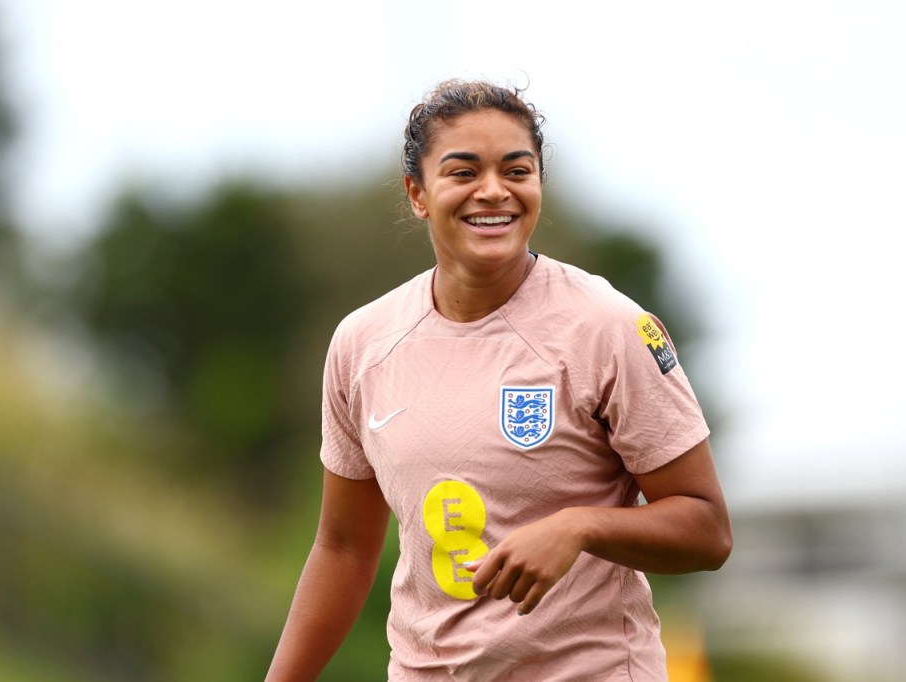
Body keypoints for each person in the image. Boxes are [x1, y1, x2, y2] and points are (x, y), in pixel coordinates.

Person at [266, 79, 732, 681]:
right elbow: (344, 548)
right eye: (463, 172)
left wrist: (579, 527)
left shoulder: (607, 326)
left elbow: (707, 529)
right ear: (418, 194)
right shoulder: (363, 343)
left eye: (517, 170)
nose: (494, 191)